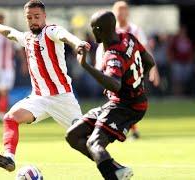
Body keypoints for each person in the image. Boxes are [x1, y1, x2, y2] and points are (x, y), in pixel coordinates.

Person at [0, 0, 90, 172]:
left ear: (44, 16)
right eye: (29, 17)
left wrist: (78, 43)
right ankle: (9, 158)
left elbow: (65, 35)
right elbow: (10, 32)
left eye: (37, 16)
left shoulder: (51, 31)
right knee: (10, 118)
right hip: (39, 98)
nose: (33, 20)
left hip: (62, 98)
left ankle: (112, 166)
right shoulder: (27, 37)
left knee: (86, 141)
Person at [66, 11, 156, 180]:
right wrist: (137, 83)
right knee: (73, 135)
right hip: (124, 102)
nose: (92, 32)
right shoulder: (129, 38)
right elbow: (149, 61)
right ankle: (117, 168)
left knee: (94, 144)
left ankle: (113, 176)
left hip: (126, 106)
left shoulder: (113, 55)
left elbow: (115, 84)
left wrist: (85, 65)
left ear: (99, 30)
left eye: (93, 28)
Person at [95, 0, 159, 139]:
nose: (122, 15)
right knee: (120, 100)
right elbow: (102, 50)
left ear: (128, 13)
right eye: (119, 12)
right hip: (116, 71)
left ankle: (120, 127)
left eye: (124, 12)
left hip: (133, 71)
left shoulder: (135, 30)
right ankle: (120, 127)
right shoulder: (110, 30)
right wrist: (100, 69)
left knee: (129, 100)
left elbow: (145, 51)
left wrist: (154, 70)